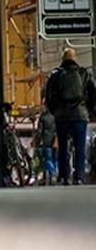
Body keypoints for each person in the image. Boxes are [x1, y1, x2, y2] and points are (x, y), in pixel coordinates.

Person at [44, 47, 96, 185]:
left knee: (62, 147)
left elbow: (48, 95)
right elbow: (93, 94)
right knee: (79, 148)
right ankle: (78, 177)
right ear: (75, 58)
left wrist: (55, 111)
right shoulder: (84, 73)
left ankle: (64, 176)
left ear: (63, 59)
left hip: (62, 116)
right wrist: (88, 110)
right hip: (80, 115)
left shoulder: (55, 74)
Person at [32, 105, 57, 185]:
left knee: (47, 159)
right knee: (55, 159)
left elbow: (39, 131)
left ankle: (53, 173)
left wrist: (37, 141)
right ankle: (57, 175)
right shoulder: (57, 116)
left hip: (47, 141)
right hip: (57, 140)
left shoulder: (43, 117)